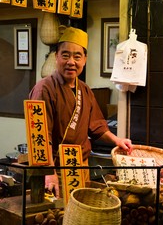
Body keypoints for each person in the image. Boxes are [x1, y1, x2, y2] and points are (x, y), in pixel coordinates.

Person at [29, 27, 133, 197]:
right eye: (65, 55)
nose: (71, 61)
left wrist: (117, 140)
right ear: (56, 57)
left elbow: (97, 126)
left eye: (77, 56)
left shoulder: (84, 90)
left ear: (84, 60)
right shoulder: (44, 89)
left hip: (79, 165)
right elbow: (39, 136)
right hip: (54, 168)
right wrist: (48, 172)